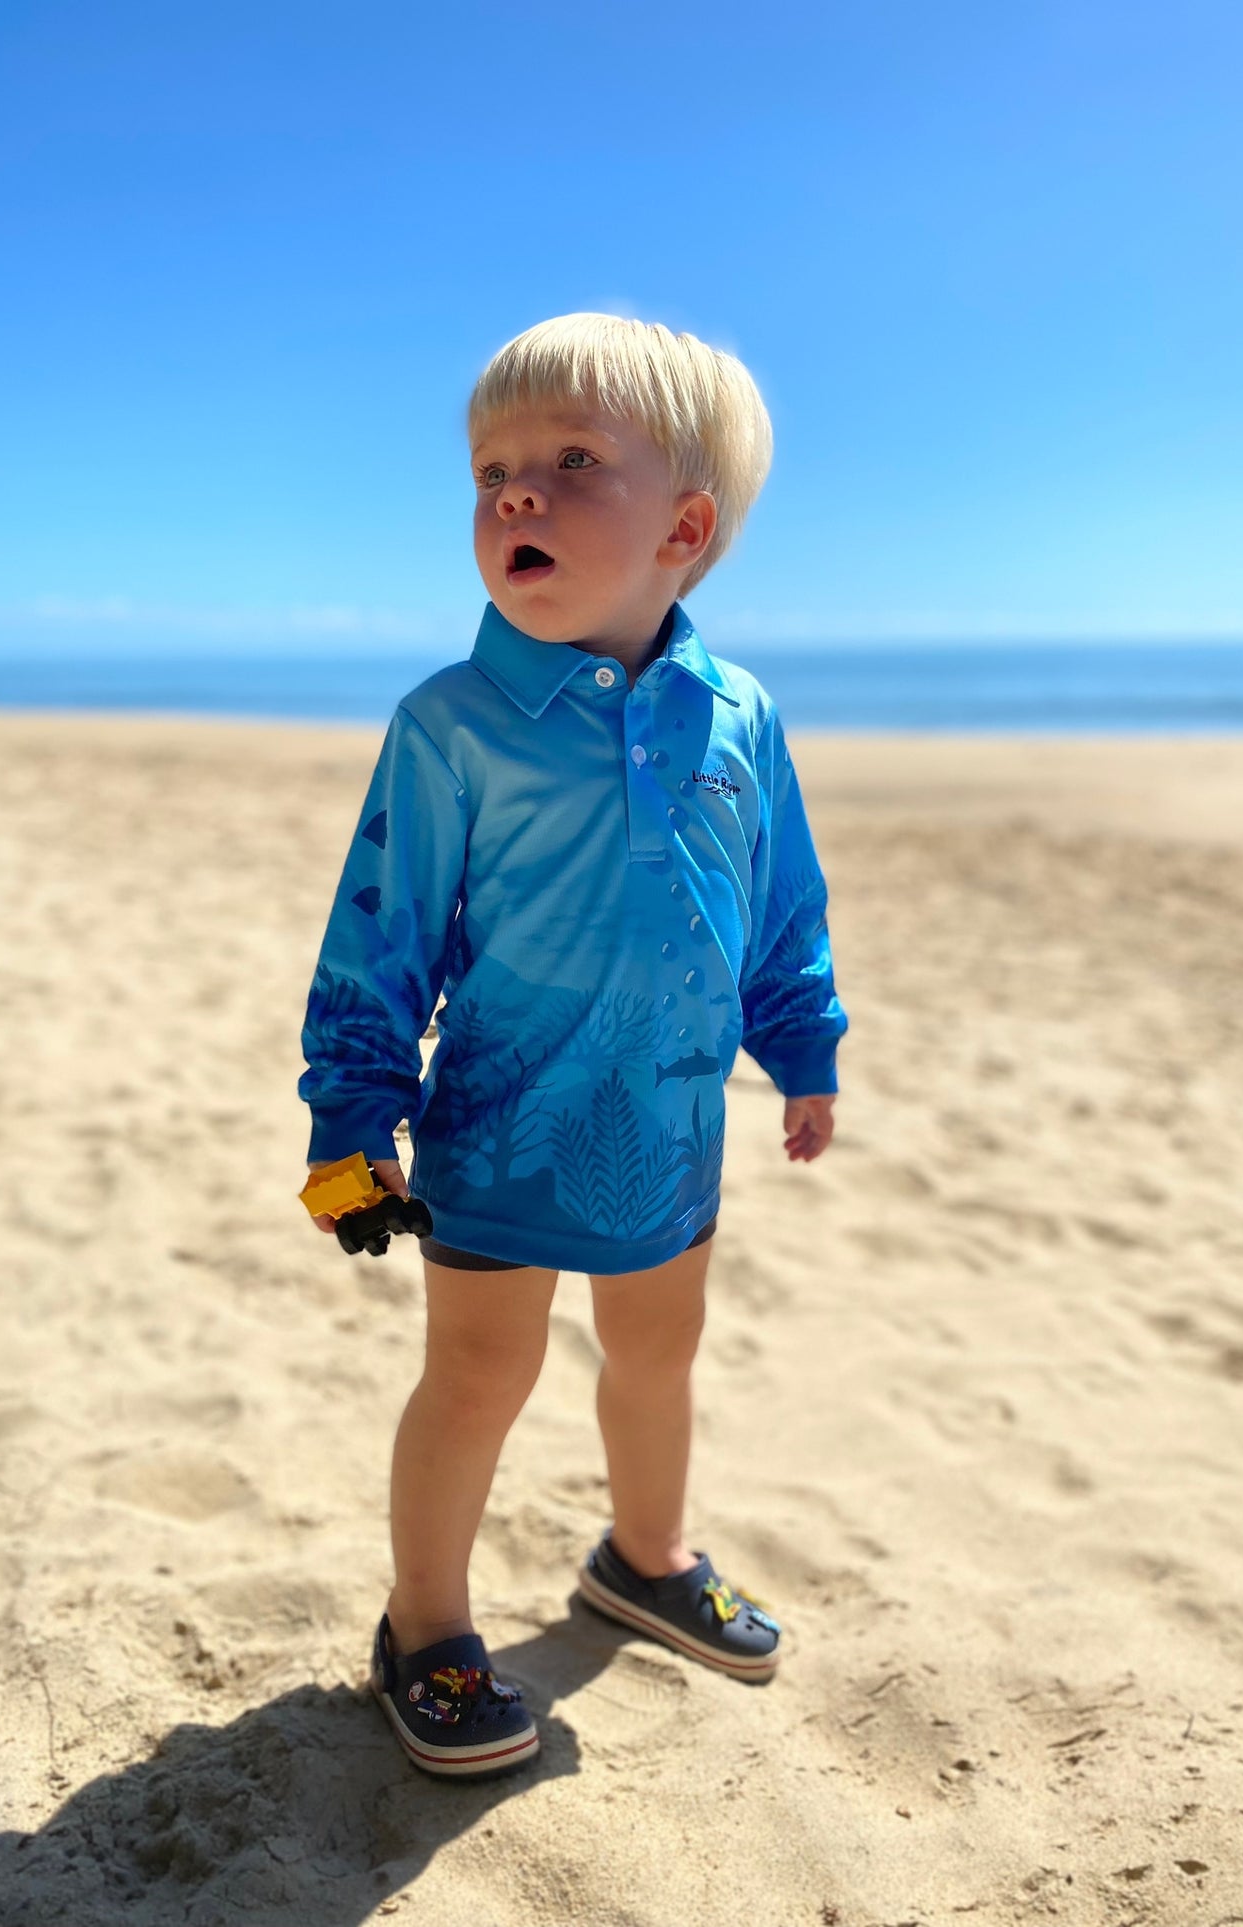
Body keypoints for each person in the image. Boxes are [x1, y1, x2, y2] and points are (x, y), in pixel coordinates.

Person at [297, 312, 847, 1778]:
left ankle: (644, 1555)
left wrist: (802, 1044)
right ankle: (423, 1627)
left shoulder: (740, 716)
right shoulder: (455, 725)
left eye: (567, 460)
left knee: (658, 1355)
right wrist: (350, 1129)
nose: (513, 495)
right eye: (490, 472)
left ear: (685, 526)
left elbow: (778, 897)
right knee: (480, 1375)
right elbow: (377, 937)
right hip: (497, 1122)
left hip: (673, 1122)